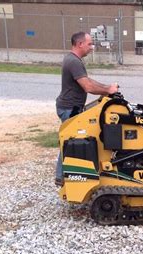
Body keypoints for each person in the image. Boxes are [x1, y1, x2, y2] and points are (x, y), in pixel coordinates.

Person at [55, 31, 118, 186]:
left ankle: (65, 175)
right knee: (70, 141)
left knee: (70, 140)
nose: (92, 47)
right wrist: (108, 90)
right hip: (69, 108)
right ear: (80, 44)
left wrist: (107, 88)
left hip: (72, 106)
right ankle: (62, 177)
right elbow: (88, 86)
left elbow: (87, 81)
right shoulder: (73, 61)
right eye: (89, 44)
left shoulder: (74, 60)